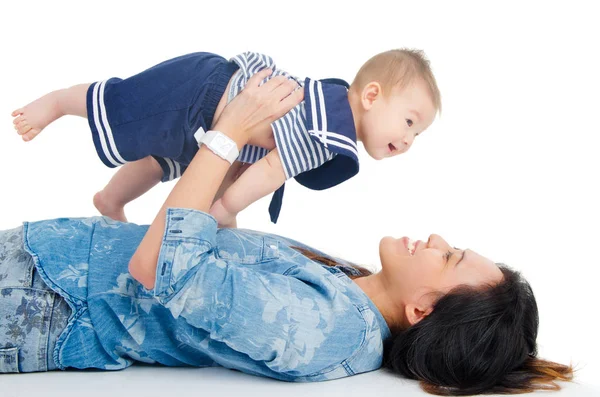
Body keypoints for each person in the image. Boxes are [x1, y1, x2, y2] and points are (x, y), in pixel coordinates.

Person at [1, 70, 571, 395]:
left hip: (39, 299)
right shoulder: (348, 284)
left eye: (450, 259)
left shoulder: (325, 329)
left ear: (422, 311)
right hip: (46, 257)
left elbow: (158, 269)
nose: (440, 239)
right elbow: (202, 238)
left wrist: (227, 132)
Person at [10, 49, 440, 226]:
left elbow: (250, 160)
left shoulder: (331, 106)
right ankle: (60, 102)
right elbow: (271, 170)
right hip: (201, 94)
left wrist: (223, 201)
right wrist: (223, 211)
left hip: (213, 131)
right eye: (408, 122)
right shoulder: (329, 130)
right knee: (127, 107)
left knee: (165, 163)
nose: (409, 141)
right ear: (371, 96)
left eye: (417, 134)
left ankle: (111, 200)